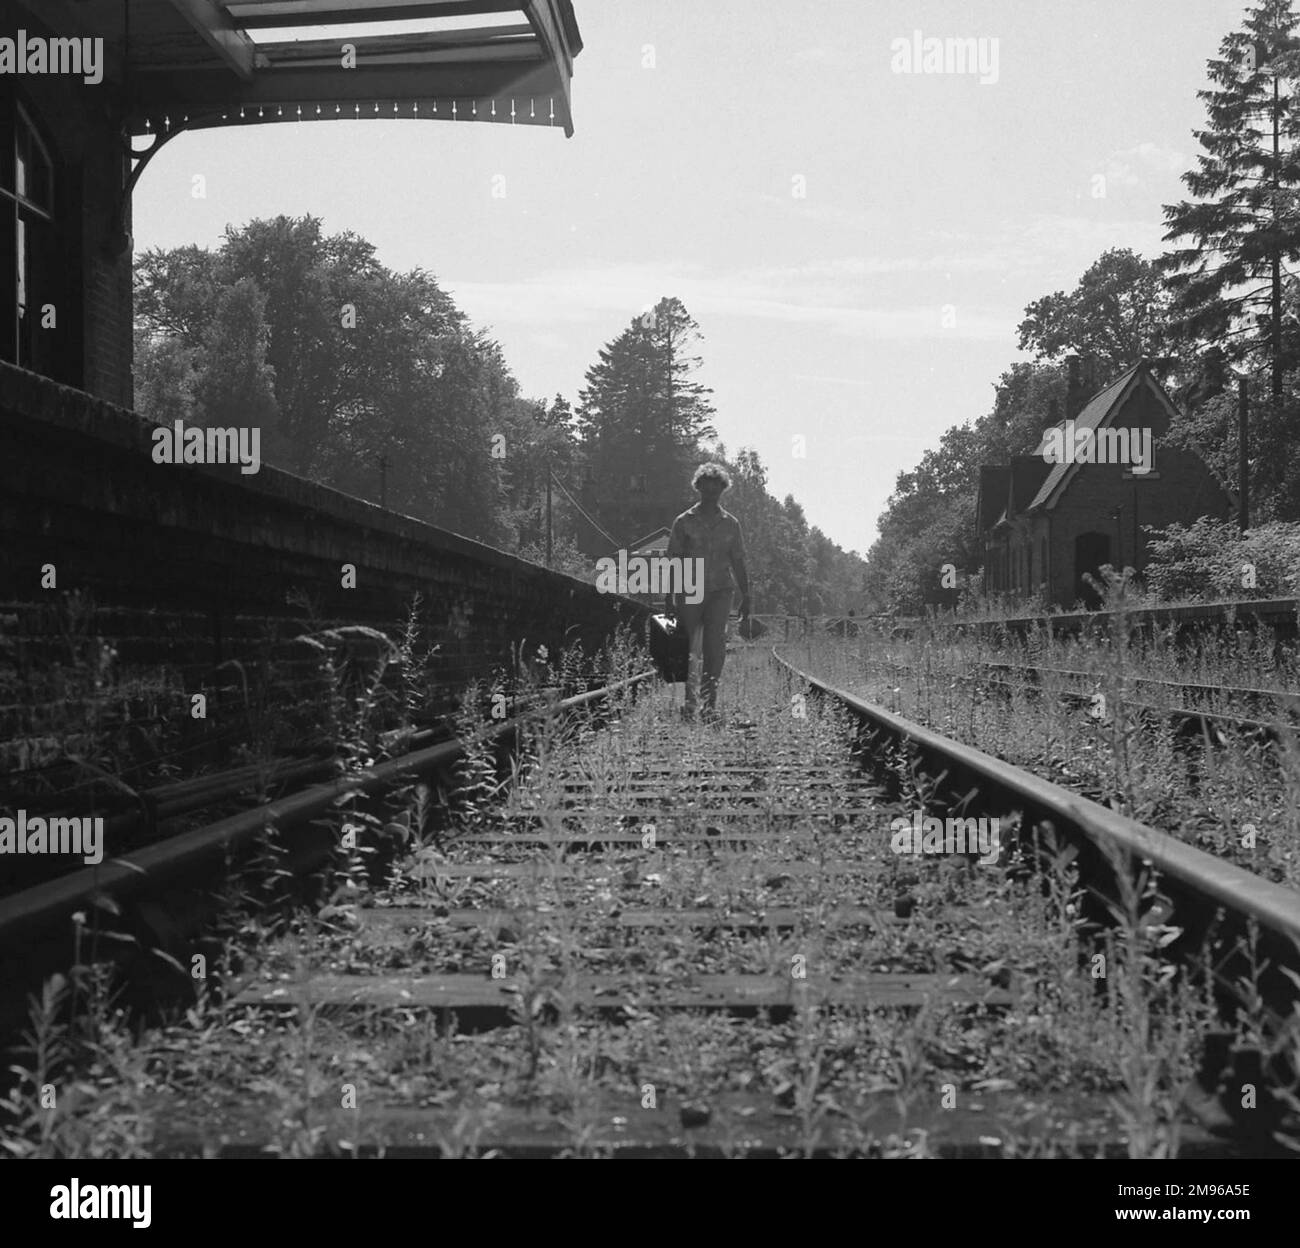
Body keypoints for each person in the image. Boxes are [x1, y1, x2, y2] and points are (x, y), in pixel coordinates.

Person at [664, 463, 750, 721]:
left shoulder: (731, 524)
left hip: (721, 593)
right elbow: (674, 560)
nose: (711, 493)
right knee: (689, 649)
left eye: (716, 489)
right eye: (706, 488)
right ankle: (691, 704)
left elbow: (738, 561)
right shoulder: (684, 522)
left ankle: (709, 704)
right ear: (698, 488)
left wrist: (747, 596)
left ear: (722, 490)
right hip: (690, 591)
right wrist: (670, 597)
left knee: (715, 648)